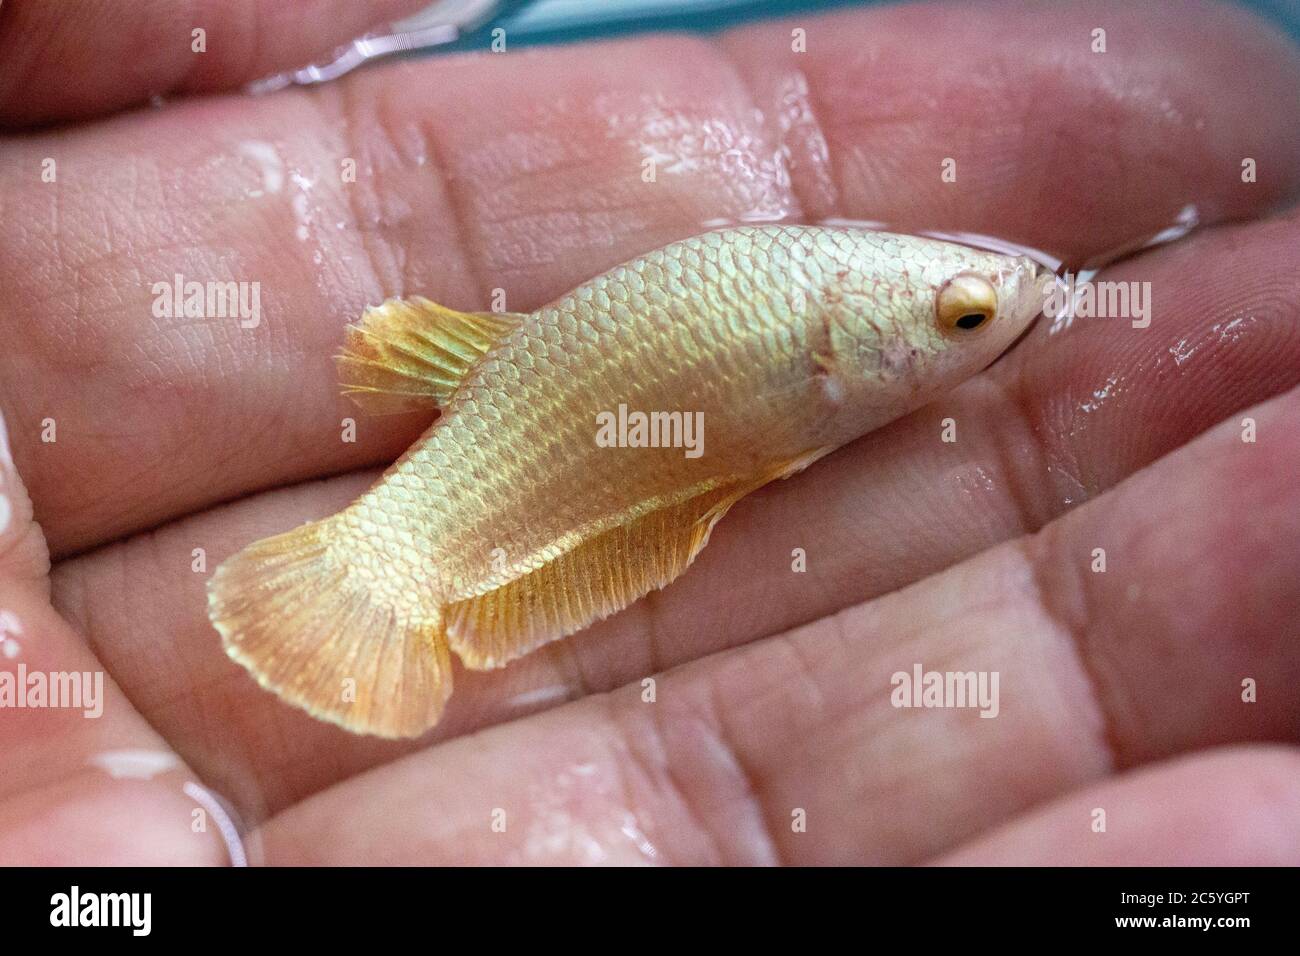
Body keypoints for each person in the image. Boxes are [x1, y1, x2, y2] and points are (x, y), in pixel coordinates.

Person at [0, 0, 1297, 865]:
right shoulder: (821, 334)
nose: (992, 317)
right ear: (853, 340)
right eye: (962, 318)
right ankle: (395, 560)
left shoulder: (837, 324)